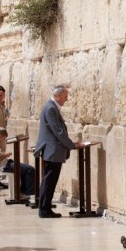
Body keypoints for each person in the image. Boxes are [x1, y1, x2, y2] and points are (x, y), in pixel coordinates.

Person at [34, 85, 80, 218]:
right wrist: (72, 145)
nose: (66, 100)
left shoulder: (51, 107)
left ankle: (46, 208)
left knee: (50, 181)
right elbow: (58, 131)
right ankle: (44, 209)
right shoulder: (50, 108)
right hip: (52, 150)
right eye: (65, 96)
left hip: (53, 150)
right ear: (58, 95)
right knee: (49, 181)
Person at [0, 127, 35, 197]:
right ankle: (27, 193)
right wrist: (5, 155)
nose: (3, 141)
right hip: (3, 167)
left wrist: (3, 155)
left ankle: (22, 192)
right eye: (3, 138)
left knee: (23, 168)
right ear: (0, 136)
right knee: (30, 169)